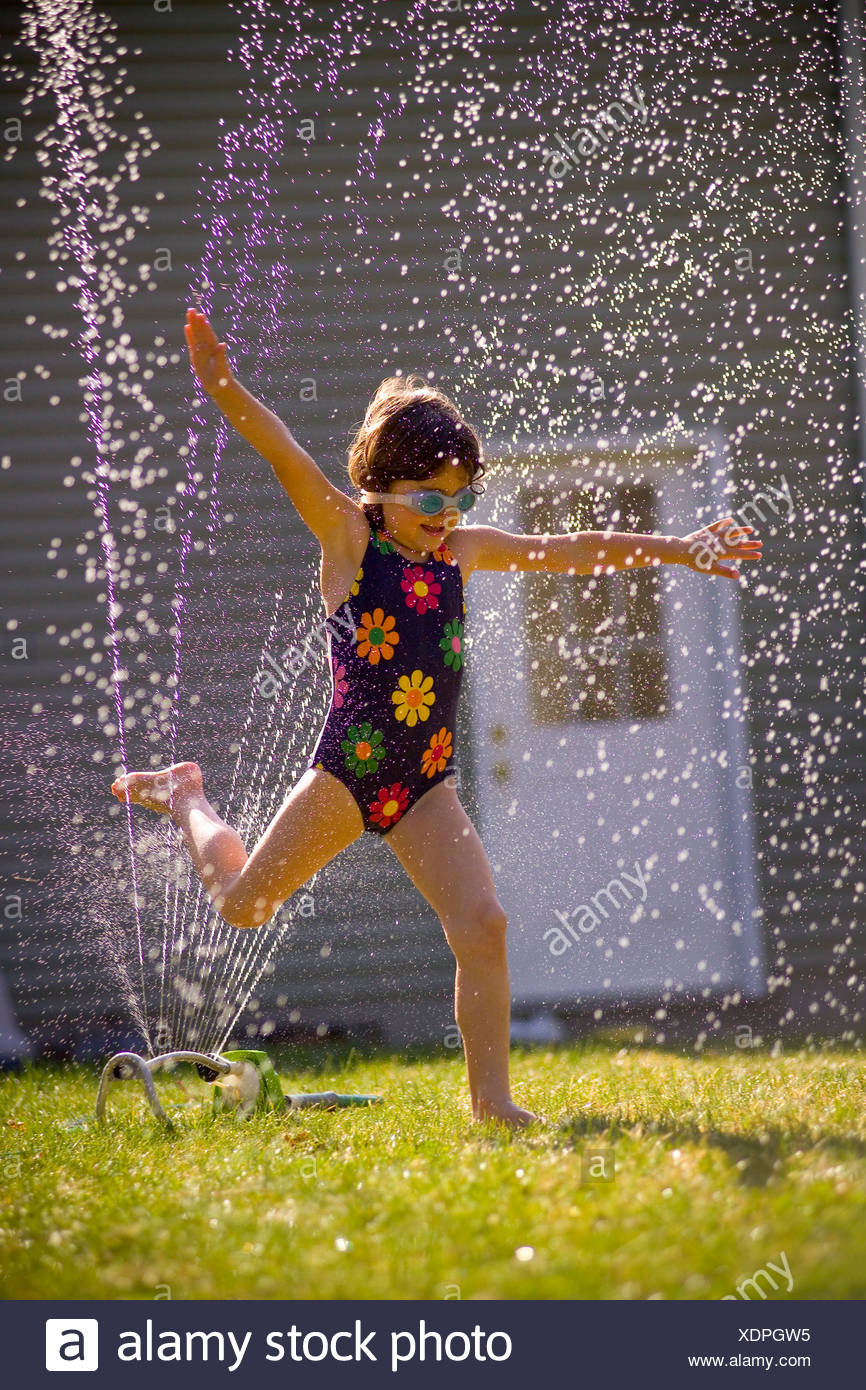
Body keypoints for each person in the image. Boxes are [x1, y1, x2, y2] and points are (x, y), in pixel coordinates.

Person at [111, 307, 762, 1129]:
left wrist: (680, 549)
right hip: (350, 773)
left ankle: (492, 1104)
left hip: (423, 781)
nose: (446, 513)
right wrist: (224, 388)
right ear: (379, 489)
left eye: (460, 497)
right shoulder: (349, 539)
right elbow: (284, 453)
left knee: (483, 925)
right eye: (428, 496)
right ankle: (185, 797)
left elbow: (568, 550)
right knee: (244, 905)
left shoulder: (459, 551)